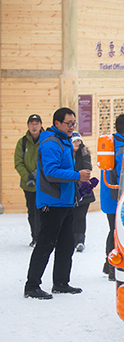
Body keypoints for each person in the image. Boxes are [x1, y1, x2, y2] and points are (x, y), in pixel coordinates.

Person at [24, 107, 91, 299]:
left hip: (65, 202)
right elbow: (51, 172)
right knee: (45, 244)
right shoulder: (51, 143)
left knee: (66, 244)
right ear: (57, 124)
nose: (72, 127)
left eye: (74, 123)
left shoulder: (64, 141)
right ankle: (31, 286)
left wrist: (78, 181)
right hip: (52, 203)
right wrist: (76, 175)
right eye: (68, 123)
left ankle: (61, 283)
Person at [101, 113, 124, 281]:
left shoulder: (111, 143)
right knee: (116, 232)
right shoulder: (121, 147)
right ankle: (112, 266)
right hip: (116, 196)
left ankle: (107, 264)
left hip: (109, 196)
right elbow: (121, 175)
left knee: (113, 230)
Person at [14, 114, 43, 248]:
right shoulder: (22, 142)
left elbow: (47, 161)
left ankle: (44, 237)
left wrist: (35, 175)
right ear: (28, 125)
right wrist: (28, 177)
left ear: (40, 125)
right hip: (28, 185)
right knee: (32, 212)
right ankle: (35, 237)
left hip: (43, 184)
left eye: (37, 123)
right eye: (32, 123)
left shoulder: (45, 140)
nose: (34, 126)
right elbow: (18, 163)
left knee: (44, 211)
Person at [71, 132, 95, 252]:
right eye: (74, 141)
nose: (77, 144)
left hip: (83, 190)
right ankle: (71, 239)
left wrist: (85, 155)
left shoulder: (84, 153)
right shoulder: (66, 154)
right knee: (71, 217)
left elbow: (88, 168)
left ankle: (80, 241)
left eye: (78, 141)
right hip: (71, 190)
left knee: (81, 217)